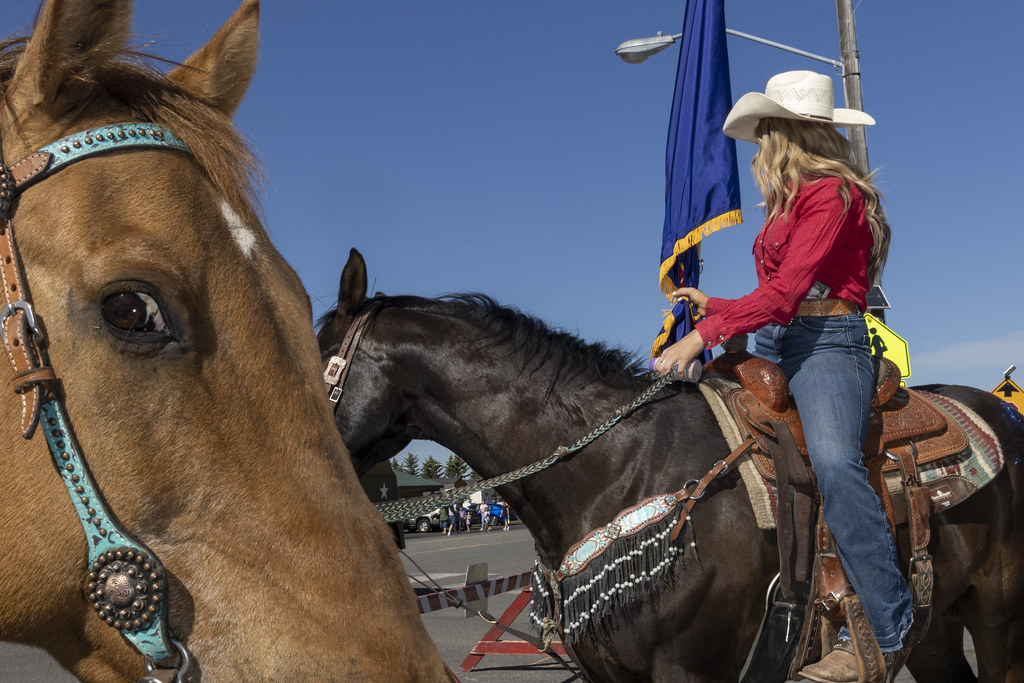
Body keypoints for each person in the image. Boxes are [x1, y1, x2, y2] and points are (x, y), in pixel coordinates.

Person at [654, 71, 911, 681]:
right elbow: (773, 298)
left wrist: (702, 333)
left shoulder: (830, 196)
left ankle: (886, 624)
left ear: (785, 133)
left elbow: (790, 293)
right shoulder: (788, 202)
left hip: (828, 339)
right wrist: (713, 306)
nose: (758, 148)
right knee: (690, 419)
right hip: (779, 331)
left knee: (833, 461)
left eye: (764, 132)